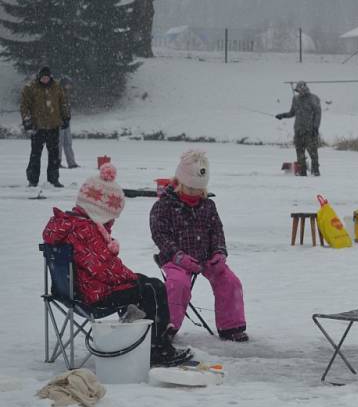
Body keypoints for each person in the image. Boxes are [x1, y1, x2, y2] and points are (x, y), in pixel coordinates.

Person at [42, 164, 191, 366]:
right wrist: (132, 279)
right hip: (93, 296)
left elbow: (100, 267)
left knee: (144, 283)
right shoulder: (85, 231)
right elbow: (105, 269)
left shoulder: (65, 224)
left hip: (70, 291)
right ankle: (157, 348)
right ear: (100, 210)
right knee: (152, 287)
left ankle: (143, 341)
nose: (111, 223)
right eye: (111, 217)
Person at [150, 150, 249, 342]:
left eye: (200, 190)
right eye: (192, 189)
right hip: (175, 260)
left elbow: (217, 231)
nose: (196, 194)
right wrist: (177, 255)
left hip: (206, 258)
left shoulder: (208, 205)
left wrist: (219, 252)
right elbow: (159, 235)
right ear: (179, 184)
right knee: (178, 284)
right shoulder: (163, 206)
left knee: (231, 282)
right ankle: (168, 326)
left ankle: (232, 326)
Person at [20, 66, 70, 188]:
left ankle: (53, 179)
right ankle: (33, 180)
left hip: (53, 126)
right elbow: (24, 106)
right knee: (35, 155)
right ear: (39, 77)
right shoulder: (30, 88)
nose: (45, 79)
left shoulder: (57, 87)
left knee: (54, 155)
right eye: (43, 77)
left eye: (47, 77)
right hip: (37, 127)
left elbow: (63, 103)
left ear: (50, 77)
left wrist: (66, 117)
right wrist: (27, 121)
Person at [275, 81, 322, 176]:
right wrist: (282, 115)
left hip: (310, 131)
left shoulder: (314, 98)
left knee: (313, 153)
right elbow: (292, 113)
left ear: (304, 88)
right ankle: (302, 172)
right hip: (298, 130)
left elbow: (318, 114)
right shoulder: (295, 99)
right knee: (299, 152)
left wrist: (315, 128)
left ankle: (315, 171)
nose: (299, 92)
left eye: (300, 90)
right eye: (297, 90)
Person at [58, 76, 78, 169]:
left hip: (66, 122)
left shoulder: (67, 94)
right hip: (59, 123)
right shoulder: (57, 94)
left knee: (68, 143)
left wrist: (67, 118)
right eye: (68, 84)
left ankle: (72, 163)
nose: (69, 86)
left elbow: (67, 109)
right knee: (59, 143)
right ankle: (57, 162)